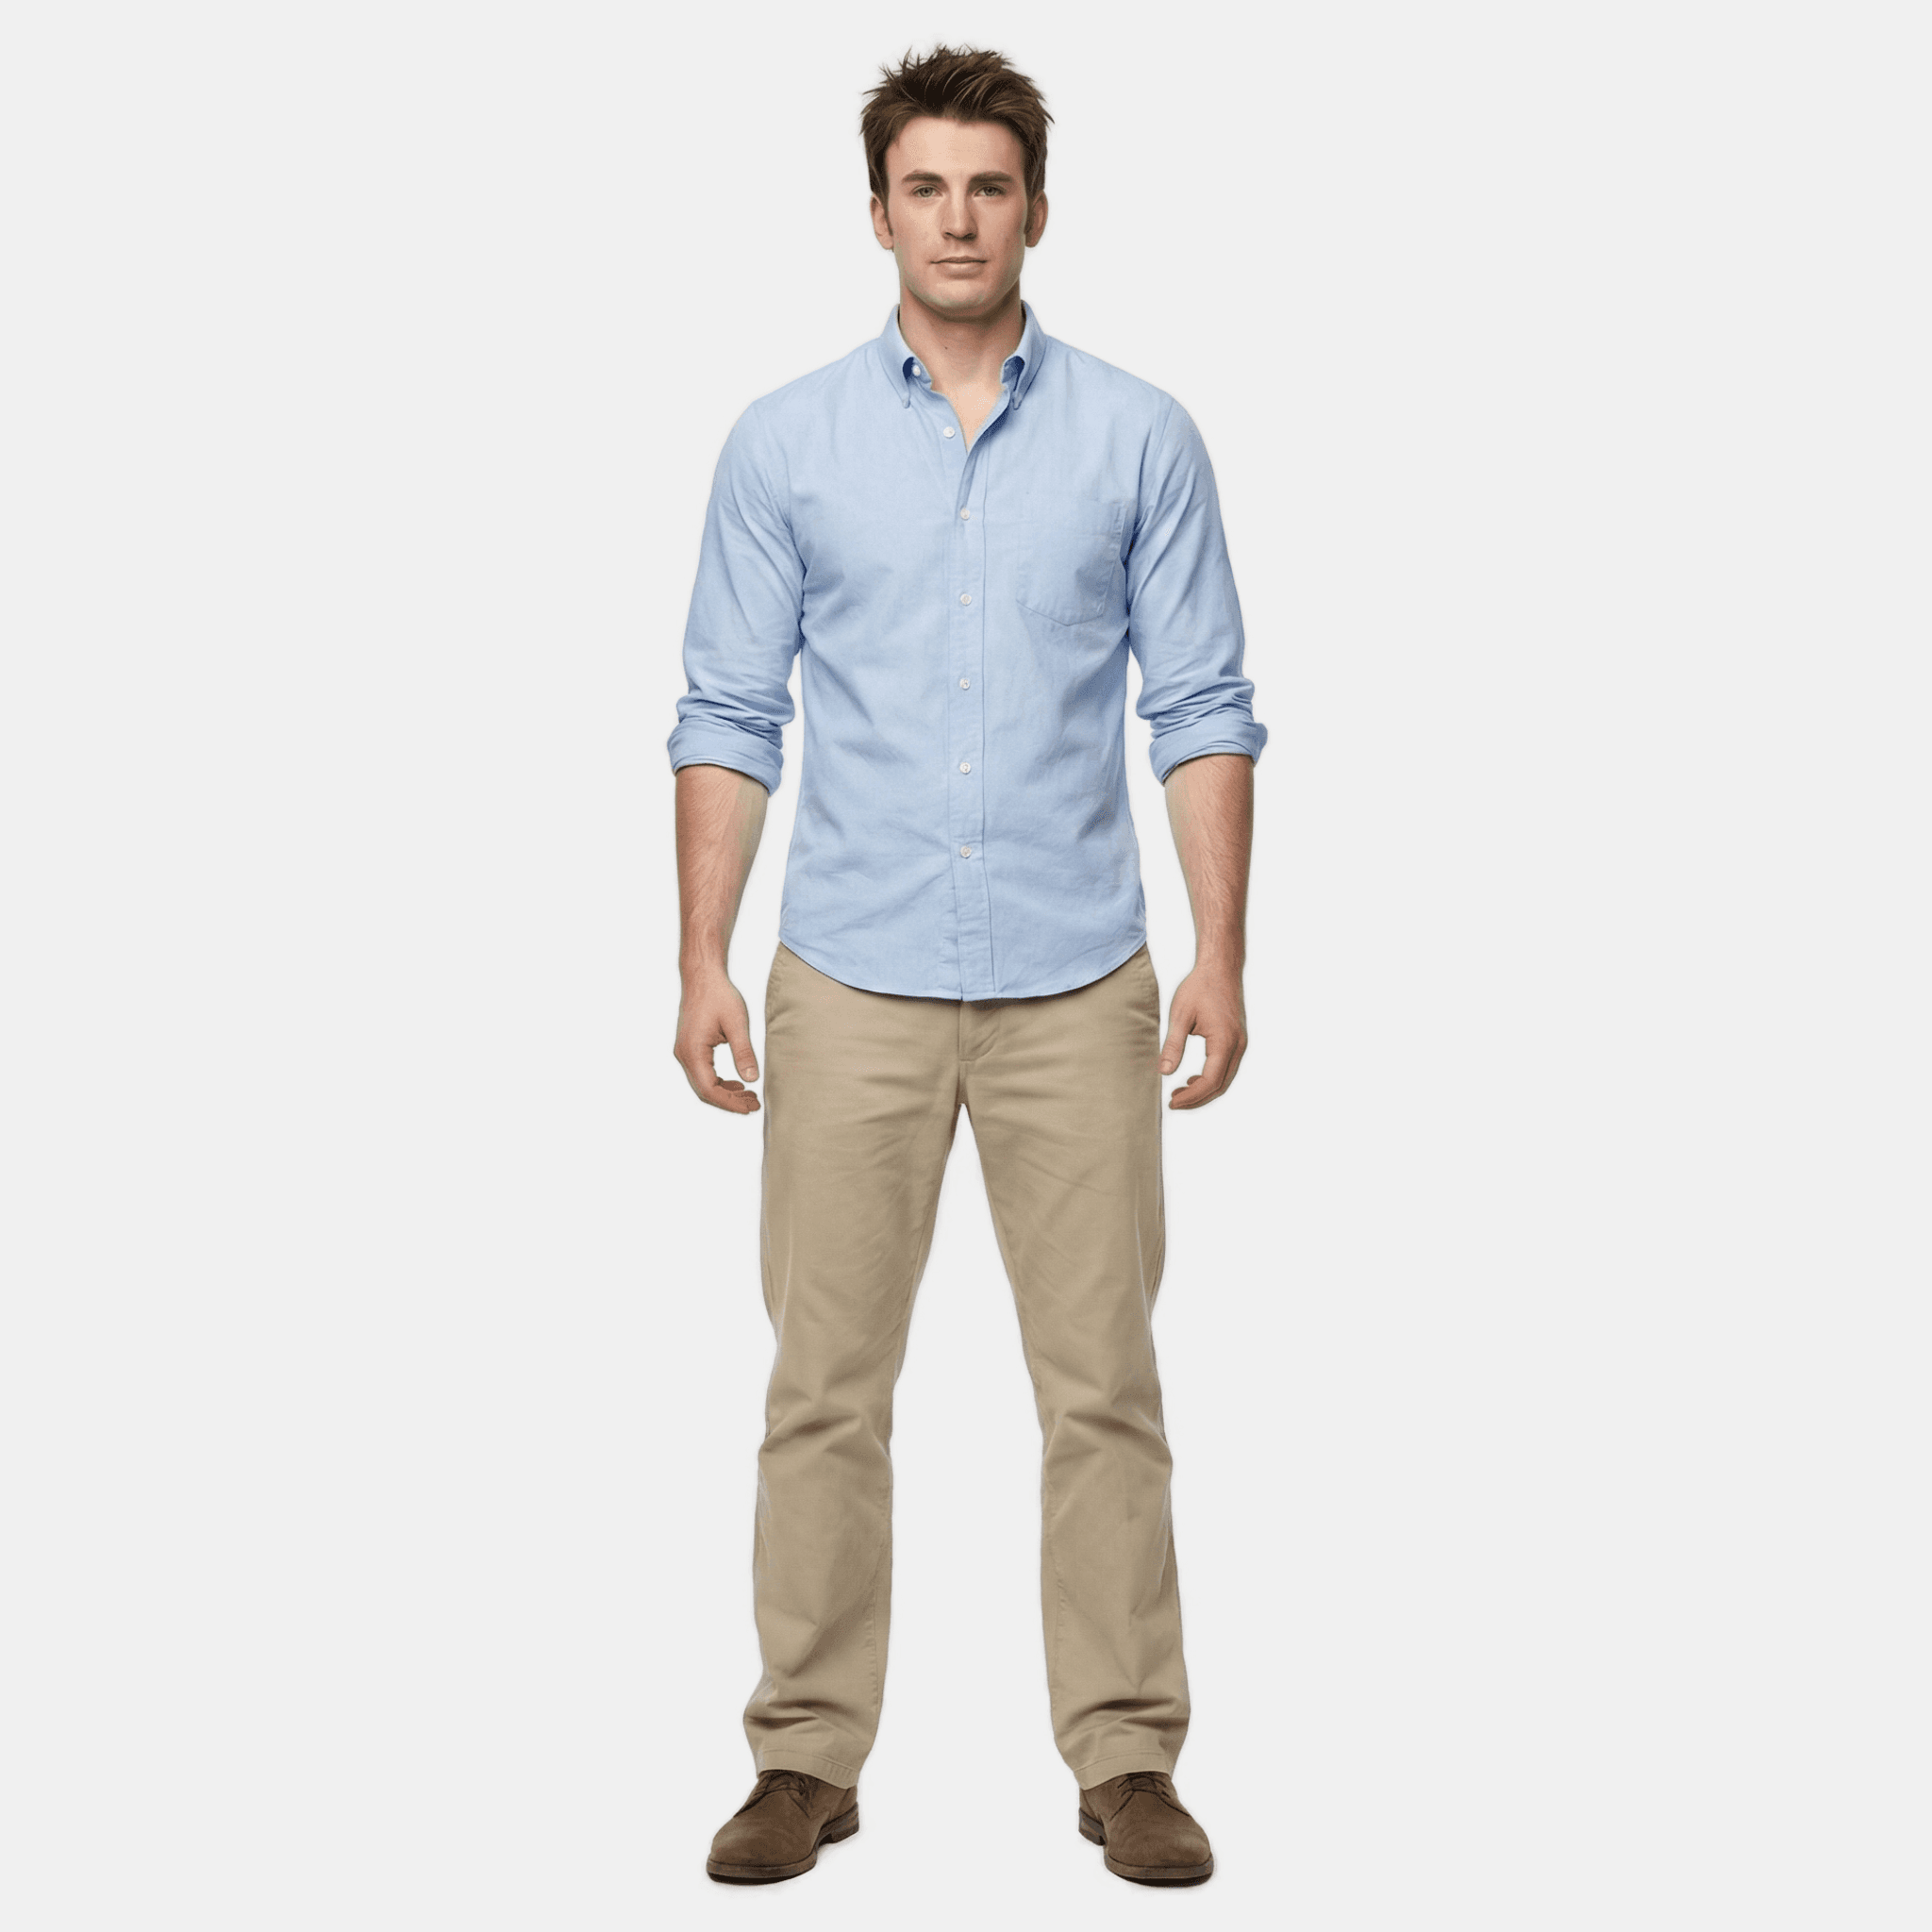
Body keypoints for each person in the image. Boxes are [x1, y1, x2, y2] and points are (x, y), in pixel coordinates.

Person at [669, 43, 1265, 1889]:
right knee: (822, 1390)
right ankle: (805, 1754)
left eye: (986, 188)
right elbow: (727, 710)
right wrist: (701, 956)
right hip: (845, 977)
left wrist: (1220, 956)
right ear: (877, 214)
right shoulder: (783, 444)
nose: (956, 219)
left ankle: (1126, 1755)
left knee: (1102, 1388)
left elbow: (1204, 704)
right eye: (923, 187)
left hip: (1076, 984)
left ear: (1035, 211)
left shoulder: (1141, 438)